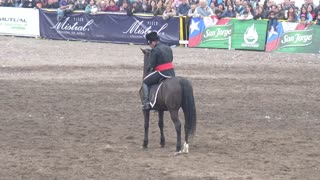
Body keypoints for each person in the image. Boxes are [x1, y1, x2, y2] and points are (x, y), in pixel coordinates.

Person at [142, 32, 175, 110]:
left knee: (145, 82)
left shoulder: (155, 50)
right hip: (171, 72)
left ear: (152, 42)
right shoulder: (168, 48)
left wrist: (148, 69)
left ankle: (146, 102)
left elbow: (152, 64)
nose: (150, 45)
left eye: (149, 43)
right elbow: (171, 59)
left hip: (162, 73)